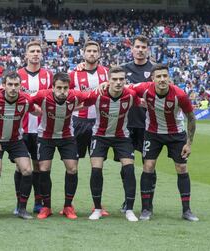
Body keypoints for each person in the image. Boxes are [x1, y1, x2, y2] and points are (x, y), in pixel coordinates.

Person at [129, 64, 198, 221]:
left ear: (169, 77)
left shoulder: (179, 95)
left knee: (181, 167)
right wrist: (137, 100)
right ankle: (146, 209)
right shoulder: (145, 88)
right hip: (152, 133)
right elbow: (126, 89)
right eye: (158, 76)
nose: (162, 79)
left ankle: (186, 210)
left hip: (176, 134)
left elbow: (191, 117)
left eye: (165, 76)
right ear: (152, 79)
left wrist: (189, 143)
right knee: (148, 166)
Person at [0, 71, 40, 220]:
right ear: (3, 85)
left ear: (20, 86)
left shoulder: (25, 100)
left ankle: (22, 208)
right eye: (10, 84)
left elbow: (37, 112)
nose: (13, 88)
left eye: (16, 85)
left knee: (27, 170)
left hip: (16, 141)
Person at [82, 67, 140, 221]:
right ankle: (97, 209)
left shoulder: (131, 95)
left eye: (121, 79)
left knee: (129, 169)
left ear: (125, 81)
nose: (118, 82)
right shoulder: (98, 94)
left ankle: (129, 209)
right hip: (99, 135)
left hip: (122, 136)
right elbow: (79, 101)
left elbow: (144, 103)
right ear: (108, 81)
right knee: (96, 170)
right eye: (114, 79)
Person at [32, 72, 89, 220]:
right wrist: (35, 111)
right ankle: (46, 206)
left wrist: (77, 108)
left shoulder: (75, 96)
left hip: (67, 137)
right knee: (43, 168)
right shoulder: (42, 95)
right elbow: (25, 100)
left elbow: (92, 97)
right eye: (59, 88)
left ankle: (68, 206)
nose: (62, 91)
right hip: (45, 137)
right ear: (52, 87)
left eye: (65, 88)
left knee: (72, 168)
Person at [69, 40, 109, 216]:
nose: (92, 53)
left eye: (95, 51)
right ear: (83, 53)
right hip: (78, 123)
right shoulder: (74, 74)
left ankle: (97, 206)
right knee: (72, 166)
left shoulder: (107, 73)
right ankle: (68, 205)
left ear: (99, 53)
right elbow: (66, 96)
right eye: (89, 51)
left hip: (99, 123)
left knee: (97, 166)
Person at [14, 40, 53, 214]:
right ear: (26, 55)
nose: (36, 54)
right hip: (21, 129)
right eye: (32, 51)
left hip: (41, 129)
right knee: (20, 167)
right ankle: (19, 202)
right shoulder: (17, 75)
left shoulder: (49, 76)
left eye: (38, 51)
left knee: (38, 166)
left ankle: (38, 201)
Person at [120, 35, 155, 213]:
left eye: (143, 47)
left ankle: (148, 203)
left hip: (148, 124)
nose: (140, 50)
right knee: (126, 165)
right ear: (131, 49)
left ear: (147, 49)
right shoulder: (122, 70)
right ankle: (128, 201)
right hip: (126, 124)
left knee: (149, 165)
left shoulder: (155, 70)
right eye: (137, 47)